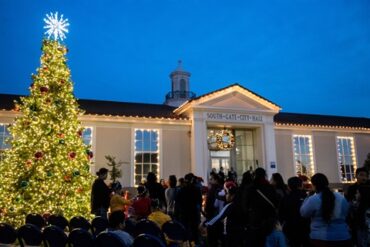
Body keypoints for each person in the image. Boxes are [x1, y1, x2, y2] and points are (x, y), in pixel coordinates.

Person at [300, 173, 351, 247]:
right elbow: (346, 211)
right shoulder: (340, 197)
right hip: (343, 236)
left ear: (314, 185)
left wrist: (308, 196)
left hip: (320, 238)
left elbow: (303, 213)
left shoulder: (314, 199)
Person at [243, 168, 279, 247]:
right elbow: (276, 203)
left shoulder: (250, 188)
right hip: (269, 220)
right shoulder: (271, 187)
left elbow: (245, 205)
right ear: (264, 175)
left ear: (254, 175)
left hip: (255, 220)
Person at [205, 181, 244, 247]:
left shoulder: (230, 206)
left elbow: (219, 217)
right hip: (240, 233)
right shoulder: (241, 204)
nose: (226, 195)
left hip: (231, 234)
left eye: (227, 194)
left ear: (232, 196)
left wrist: (206, 224)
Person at [279, 177, 310, 247]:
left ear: (289, 187)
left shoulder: (286, 198)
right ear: (301, 185)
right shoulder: (306, 197)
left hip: (290, 227)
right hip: (305, 227)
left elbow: (281, 213)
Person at [345, 167, 370, 247]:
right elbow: (348, 202)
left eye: (366, 175)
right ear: (356, 176)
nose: (364, 177)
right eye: (361, 175)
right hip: (356, 219)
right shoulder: (352, 188)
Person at [175, 173, 202, 246]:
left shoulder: (181, 190)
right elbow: (199, 202)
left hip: (183, 214)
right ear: (192, 180)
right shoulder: (197, 189)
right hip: (193, 214)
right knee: (194, 233)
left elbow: (177, 202)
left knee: (184, 233)